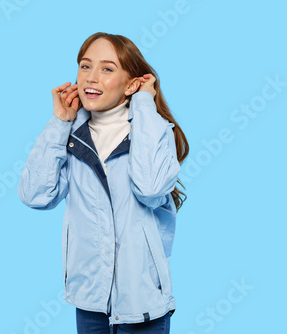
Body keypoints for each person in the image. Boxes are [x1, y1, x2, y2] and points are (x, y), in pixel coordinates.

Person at [18, 32, 189, 334]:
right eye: (85, 66)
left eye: (107, 69)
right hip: (90, 301)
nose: (91, 78)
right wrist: (59, 122)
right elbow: (35, 195)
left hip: (142, 303)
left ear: (131, 84)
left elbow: (149, 189)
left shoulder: (154, 132)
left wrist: (145, 105)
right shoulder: (71, 135)